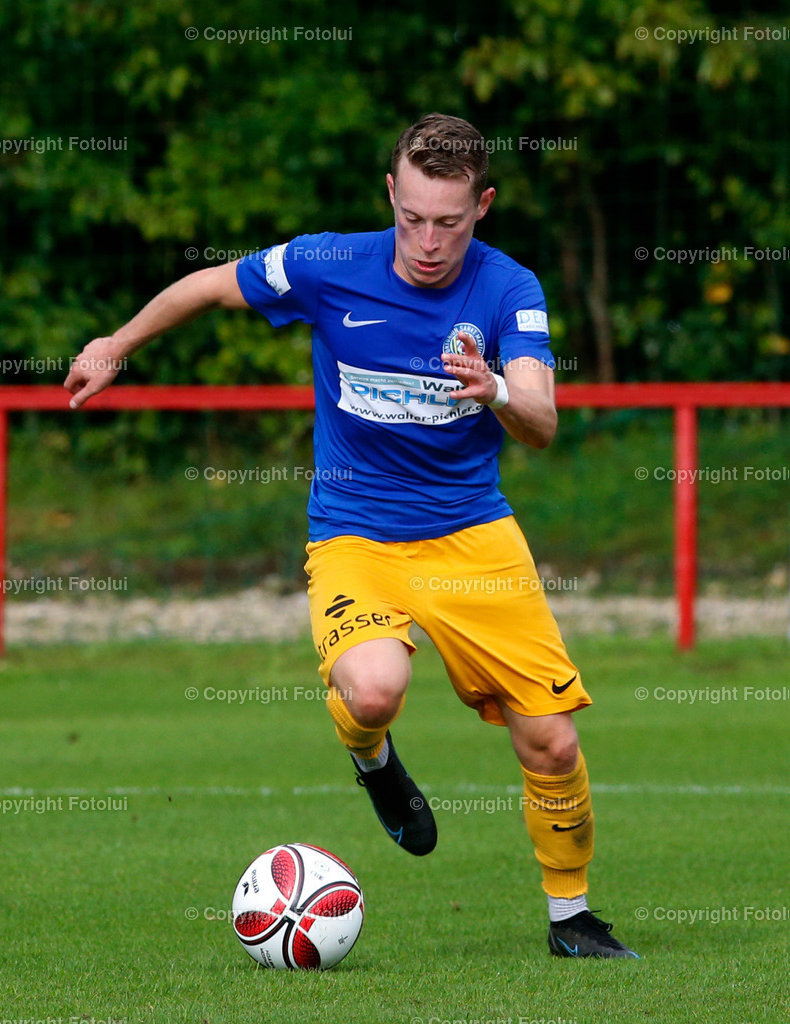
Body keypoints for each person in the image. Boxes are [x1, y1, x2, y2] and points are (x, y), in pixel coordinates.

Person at [65, 112, 638, 959]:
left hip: (474, 536)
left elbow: (543, 421)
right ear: (390, 196)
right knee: (370, 689)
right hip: (356, 534)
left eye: (449, 221)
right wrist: (118, 343)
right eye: (412, 218)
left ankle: (572, 920)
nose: (428, 241)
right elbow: (211, 284)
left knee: (551, 741)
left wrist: (494, 394)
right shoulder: (328, 263)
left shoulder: (511, 290)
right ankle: (374, 762)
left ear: (483, 204)